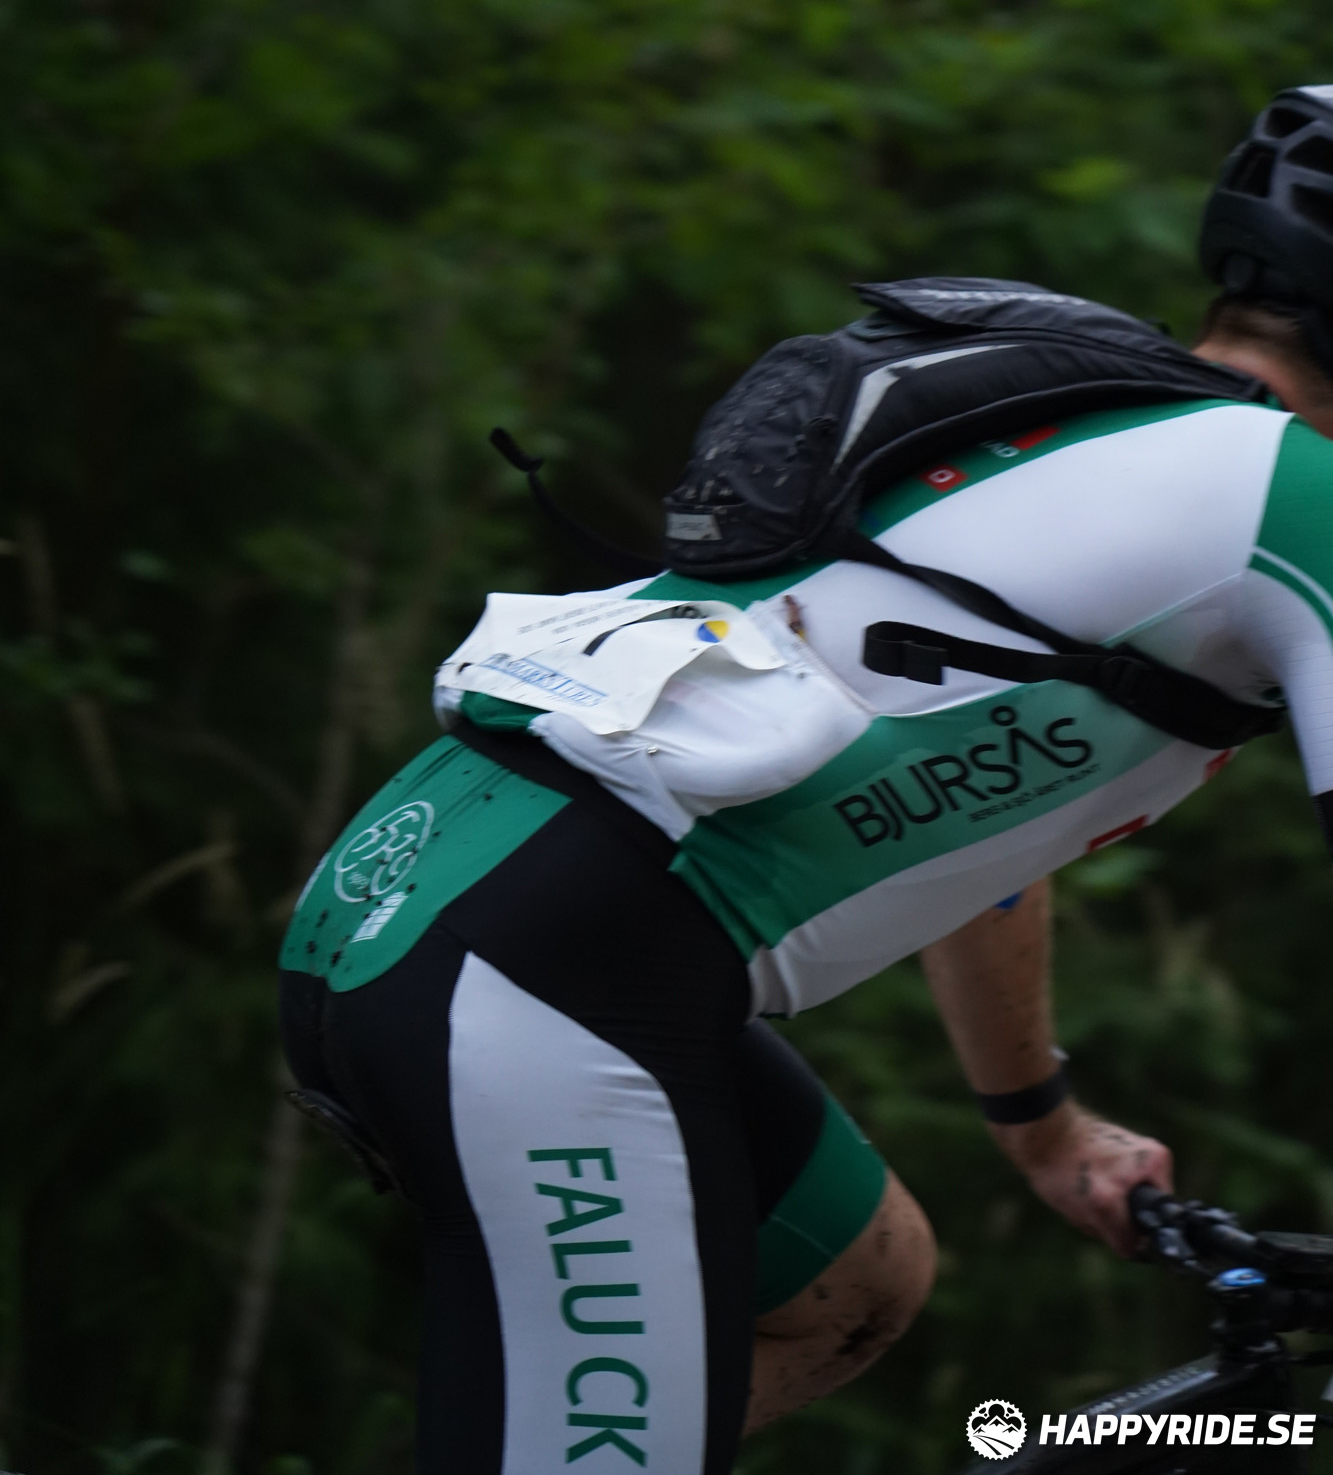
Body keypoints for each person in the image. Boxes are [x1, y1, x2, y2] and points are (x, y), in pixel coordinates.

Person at [279, 85, 1333, 1473]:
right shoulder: (1297, 495)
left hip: (420, 904)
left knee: (852, 1287)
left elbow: (979, 836)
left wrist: (1040, 1128)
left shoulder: (1102, 433)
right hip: (547, 974)